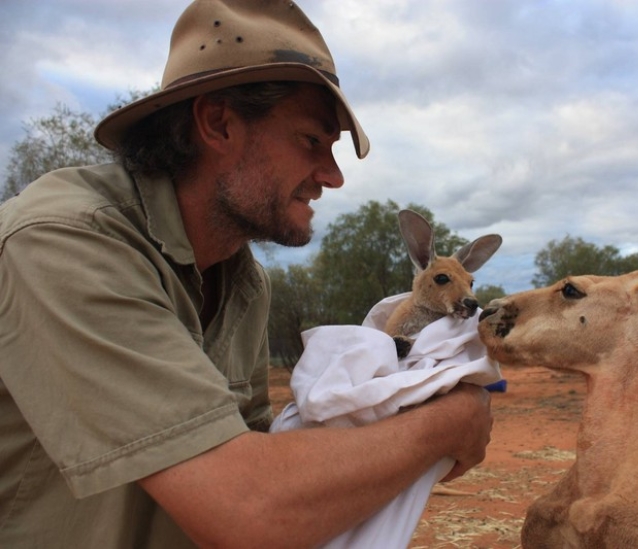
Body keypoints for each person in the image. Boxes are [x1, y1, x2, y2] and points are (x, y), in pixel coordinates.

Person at [0, 1, 494, 547]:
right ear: (218, 123)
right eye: (312, 141)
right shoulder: (63, 242)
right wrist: (446, 426)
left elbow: (260, 449)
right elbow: (247, 509)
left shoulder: (243, 279)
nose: (332, 177)